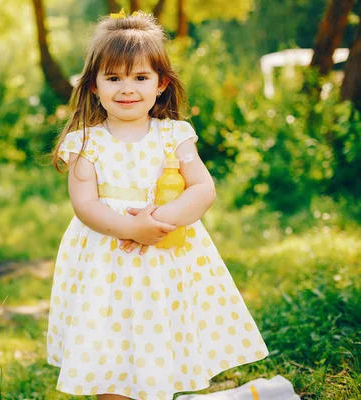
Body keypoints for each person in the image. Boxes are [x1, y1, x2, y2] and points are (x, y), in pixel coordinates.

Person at [45, 10, 270, 400]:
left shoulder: (173, 135)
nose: (126, 88)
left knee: (158, 335)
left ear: (161, 83)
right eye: (113, 78)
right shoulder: (87, 142)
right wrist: (131, 229)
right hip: (107, 259)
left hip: (166, 255)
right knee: (110, 342)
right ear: (94, 86)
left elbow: (202, 188)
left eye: (140, 77)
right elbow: (84, 204)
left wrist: (156, 223)